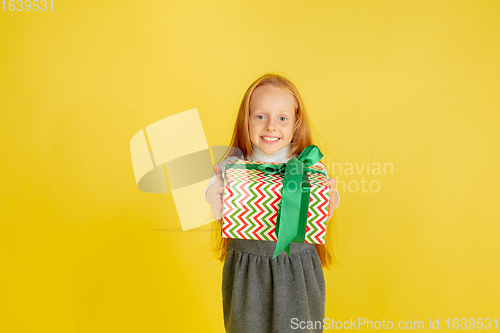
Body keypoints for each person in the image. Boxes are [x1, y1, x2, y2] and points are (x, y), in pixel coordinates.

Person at [205, 73, 340, 333]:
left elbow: (330, 196)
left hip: (296, 269)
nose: (271, 126)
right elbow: (209, 193)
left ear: (295, 124)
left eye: (282, 118)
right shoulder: (232, 167)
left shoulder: (308, 165)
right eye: (260, 116)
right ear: (246, 120)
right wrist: (212, 194)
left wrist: (331, 198)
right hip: (247, 272)